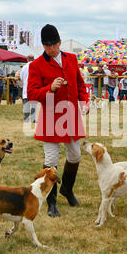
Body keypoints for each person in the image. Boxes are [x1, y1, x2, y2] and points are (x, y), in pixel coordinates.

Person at [27, 24, 89, 217]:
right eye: (46, 46)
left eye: (52, 45)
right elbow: (31, 93)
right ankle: (51, 203)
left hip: (70, 116)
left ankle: (67, 189)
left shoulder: (71, 59)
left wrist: (85, 101)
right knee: (51, 161)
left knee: (75, 155)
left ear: (59, 42)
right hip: (51, 118)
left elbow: (79, 84)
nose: (49, 49)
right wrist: (50, 88)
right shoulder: (36, 65)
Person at [20, 55, 37, 122]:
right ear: (34, 59)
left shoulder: (24, 67)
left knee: (26, 104)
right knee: (33, 104)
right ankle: (33, 119)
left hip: (26, 88)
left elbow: (21, 78)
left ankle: (26, 118)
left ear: (27, 59)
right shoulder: (36, 66)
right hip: (34, 87)